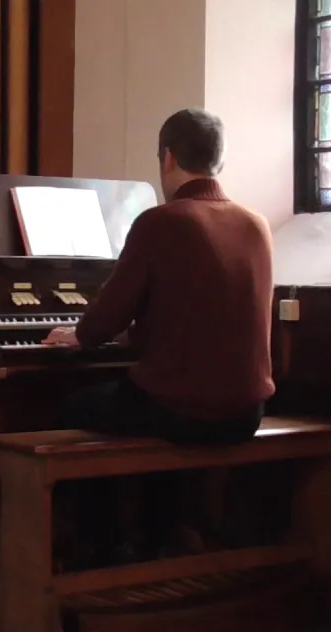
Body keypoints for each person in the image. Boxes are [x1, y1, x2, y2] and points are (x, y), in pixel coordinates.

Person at [43, 108, 276, 564]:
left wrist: (80, 335)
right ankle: (159, 535)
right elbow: (201, 313)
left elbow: (108, 316)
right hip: (246, 409)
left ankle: (101, 549)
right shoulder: (256, 224)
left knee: (72, 410)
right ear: (219, 162)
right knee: (147, 403)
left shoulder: (162, 222)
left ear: (168, 158)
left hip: (185, 408)